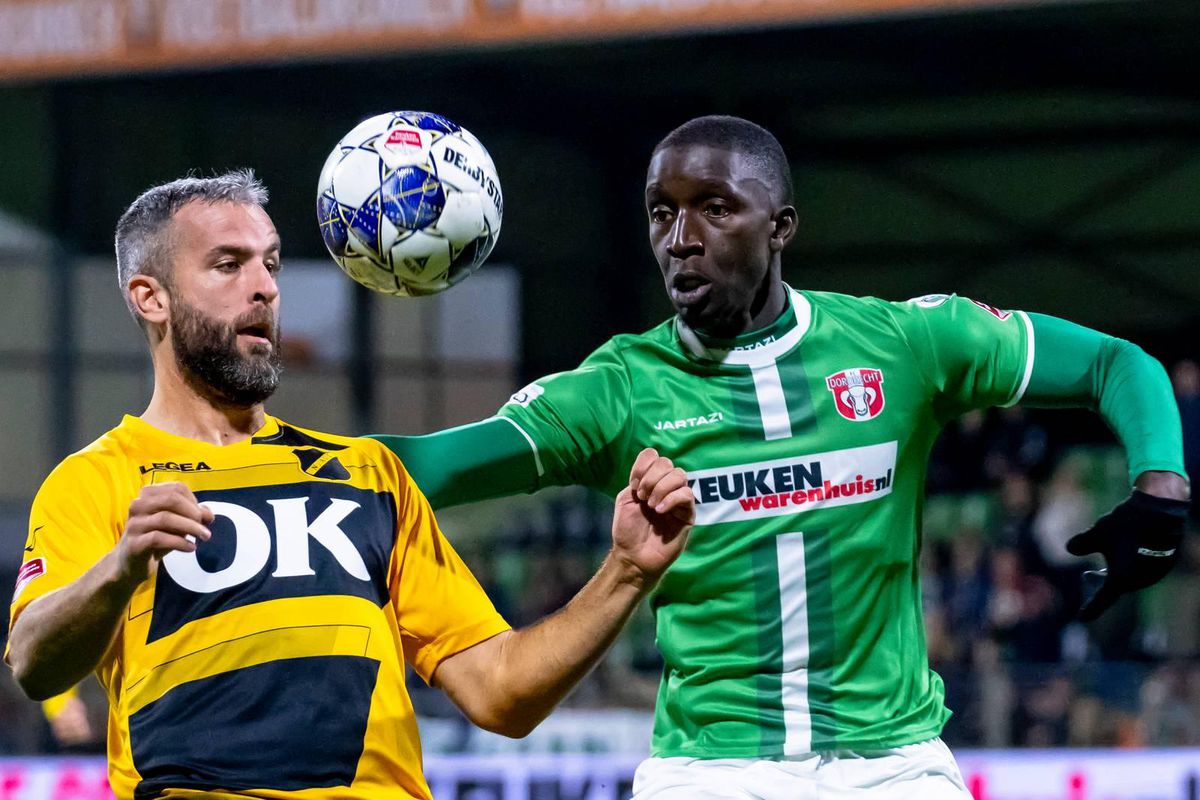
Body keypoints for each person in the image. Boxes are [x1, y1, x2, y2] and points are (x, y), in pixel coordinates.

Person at [373, 116, 1191, 797]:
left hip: (894, 765)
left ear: (781, 226)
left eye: (714, 209)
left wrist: (1159, 488)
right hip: (712, 771)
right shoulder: (620, 388)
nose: (682, 240)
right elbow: (427, 466)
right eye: (662, 214)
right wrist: (257, 439)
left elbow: (1116, 364)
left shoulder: (905, 345)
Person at [4, 171, 695, 800]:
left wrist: (626, 572)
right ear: (149, 297)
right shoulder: (97, 480)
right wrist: (120, 568)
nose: (265, 286)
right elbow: (34, 662)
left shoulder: (367, 473)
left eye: (270, 263)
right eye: (228, 264)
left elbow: (501, 694)